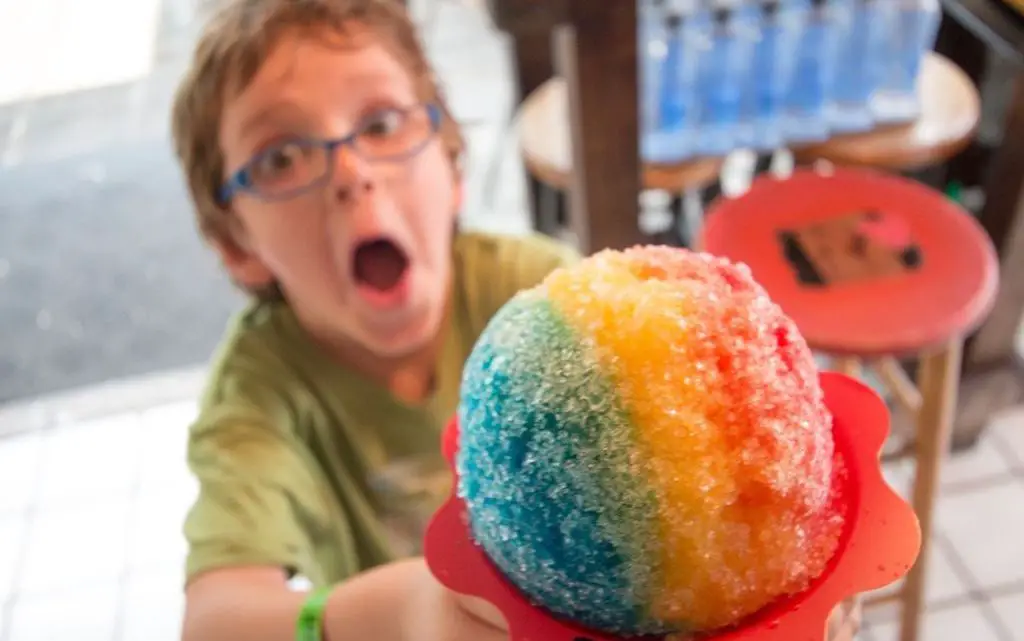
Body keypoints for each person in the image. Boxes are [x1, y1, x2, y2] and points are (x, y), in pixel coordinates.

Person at [169, 0, 578, 639]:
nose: (352, 173)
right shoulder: (265, 395)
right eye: (281, 158)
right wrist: (390, 612)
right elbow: (216, 622)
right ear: (238, 245)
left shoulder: (537, 298)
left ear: (451, 162)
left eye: (383, 122)